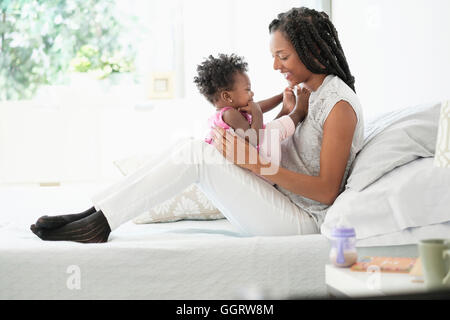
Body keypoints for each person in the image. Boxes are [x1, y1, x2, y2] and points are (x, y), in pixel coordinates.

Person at [30, 6, 364, 243]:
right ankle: (96, 213)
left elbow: (326, 190)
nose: (275, 65)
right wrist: (287, 113)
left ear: (315, 49)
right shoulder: (308, 93)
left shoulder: (338, 106)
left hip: (302, 220)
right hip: (278, 195)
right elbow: (280, 144)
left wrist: (256, 166)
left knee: (196, 156)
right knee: (188, 148)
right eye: (275, 56)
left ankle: (99, 224)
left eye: (284, 56)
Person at [196, 53, 309, 171]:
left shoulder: (224, 114)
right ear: (227, 96)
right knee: (270, 130)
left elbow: (258, 106)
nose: (252, 93)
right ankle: (299, 112)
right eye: (247, 90)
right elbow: (254, 140)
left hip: (251, 162)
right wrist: (257, 113)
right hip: (258, 169)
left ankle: (286, 110)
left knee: (264, 128)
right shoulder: (230, 115)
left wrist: (281, 96)